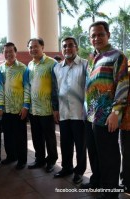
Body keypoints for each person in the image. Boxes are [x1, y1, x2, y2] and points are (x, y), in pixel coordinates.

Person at [83, 21, 129, 199]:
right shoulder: (91, 57)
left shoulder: (117, 56)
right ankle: (99, 183)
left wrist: (116, 113)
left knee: (108, 156)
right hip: (90, 115)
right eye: (93, 35)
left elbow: (123, 85)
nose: (97, 38)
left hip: (106, 117)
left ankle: (110, 192)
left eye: (100, 34)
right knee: (94, 154)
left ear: (108, 35)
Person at [51, 36, 87, 184]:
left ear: (76, 47)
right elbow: (55, 90)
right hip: (64, 112)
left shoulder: (85, 64)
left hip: (80, 113)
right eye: (64, 46)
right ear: (62, 49)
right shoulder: (57, 67)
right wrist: (55, 109)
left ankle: (79, 171)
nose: (67, 48)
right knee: (65, 143)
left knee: (80, 145)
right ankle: (67, 167)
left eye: (71, 45)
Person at [27, 38, 58, 173]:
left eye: (35, 46)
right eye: (30, 47)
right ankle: (39, 159)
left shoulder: (52, 63)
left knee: (49, 136)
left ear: (42, 47)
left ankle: (51, 160)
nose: (33, 49)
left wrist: (55, 107)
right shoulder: (29, 64)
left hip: (47, 108)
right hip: (34, 109)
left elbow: (56, 87)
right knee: (36, 136)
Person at [0, 42, 30, 170]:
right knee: (8, 135)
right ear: (3, 53)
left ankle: (22, 160)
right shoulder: (0, 69)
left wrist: (25, 106)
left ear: (15, 52)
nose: (8, 54)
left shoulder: (23, 68)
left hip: (18, 109)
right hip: (6, 109)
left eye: (11, 51)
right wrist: (0, 107)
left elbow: (27, 88)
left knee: (20, 137)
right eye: (6, 51)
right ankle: (11, 156)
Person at [120, 76, 130, 194]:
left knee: (127, 152)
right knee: (127, 153)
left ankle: (127, 182)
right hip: (127, 121)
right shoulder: (126, 67)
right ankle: (126, 181)